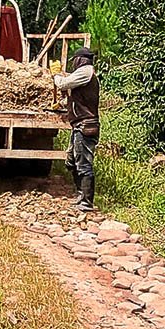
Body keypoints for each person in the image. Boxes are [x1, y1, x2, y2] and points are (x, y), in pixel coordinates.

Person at [53, 47, 100, 212]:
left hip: (85, 126)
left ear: (80, 60)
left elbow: (63, 83)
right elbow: (77, 97)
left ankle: (86, 202)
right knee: (72, 162)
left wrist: (56, 75)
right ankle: (81, 196)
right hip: (79, 125)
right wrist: (64, 104)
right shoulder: (85, 74)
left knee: (84, 164)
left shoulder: (86, 72)